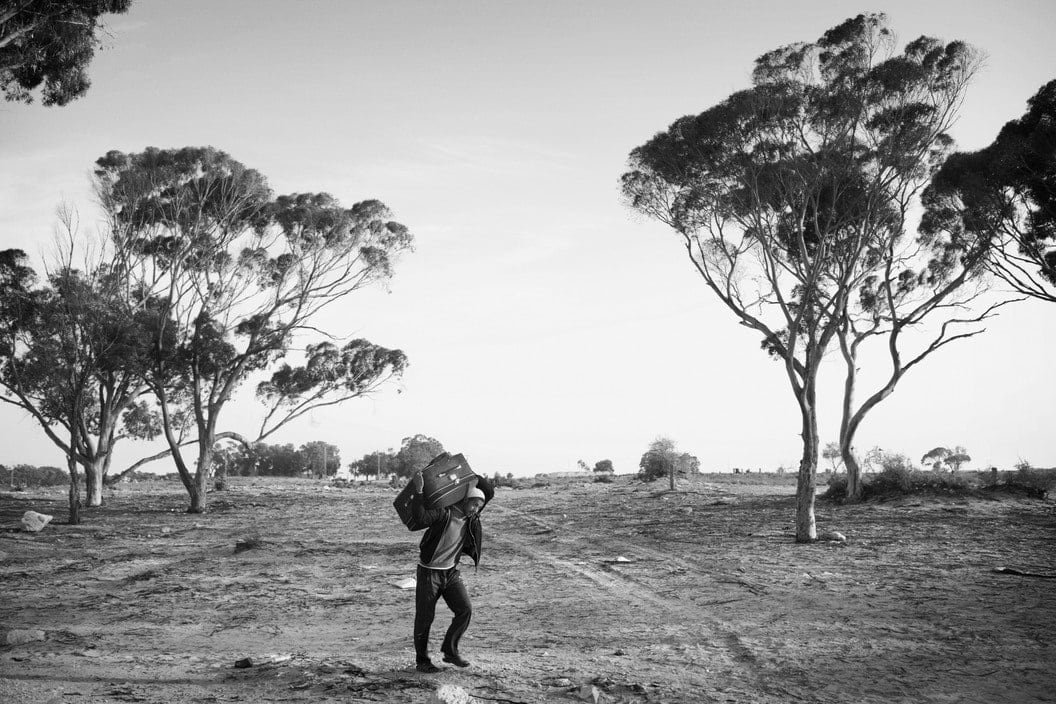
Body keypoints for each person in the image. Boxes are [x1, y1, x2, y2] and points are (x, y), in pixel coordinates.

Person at [409, 471, 493, 673]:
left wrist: (467, 472)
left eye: (479, 507)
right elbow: (419, 518)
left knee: (465, 609)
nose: (476, 509)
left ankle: (450, 650)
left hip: (451, 573)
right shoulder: (443, 513)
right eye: (474, 504)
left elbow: (488, 491)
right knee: (424, 618)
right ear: (465, 499)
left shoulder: (471, 517)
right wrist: (419, 490)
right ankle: (422, 662)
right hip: (430, 573)